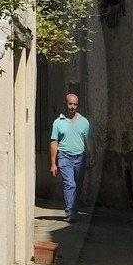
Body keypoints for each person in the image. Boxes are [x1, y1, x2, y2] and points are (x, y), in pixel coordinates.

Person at [49, 93, 91, 222]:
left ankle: (74, 209)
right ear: (65, 104)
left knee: (78, 185)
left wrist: (92, 155)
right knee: (70, 184)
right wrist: (53, 163)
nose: (72, 107)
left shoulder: (84, 122)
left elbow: (89, 140)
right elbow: (53, 142)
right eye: (70, 104)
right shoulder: (58, 123)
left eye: (75, 104)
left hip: (80, 157)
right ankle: (71, 212)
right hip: (64, 157)